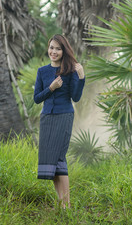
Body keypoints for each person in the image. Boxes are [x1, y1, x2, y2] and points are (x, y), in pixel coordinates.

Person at [33, 34, 85, 209]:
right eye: (51, 47)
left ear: (64, 51)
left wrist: (81, 76)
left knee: (59, 158)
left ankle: (67, 204)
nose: (53, 51)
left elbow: (76, 98)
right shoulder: (42, 71)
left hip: (64, 116)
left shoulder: (70, 72)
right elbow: (37, 99)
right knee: (50, 161)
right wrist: (51, 88)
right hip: (47, 117)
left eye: (58, 48)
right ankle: (62, 204)